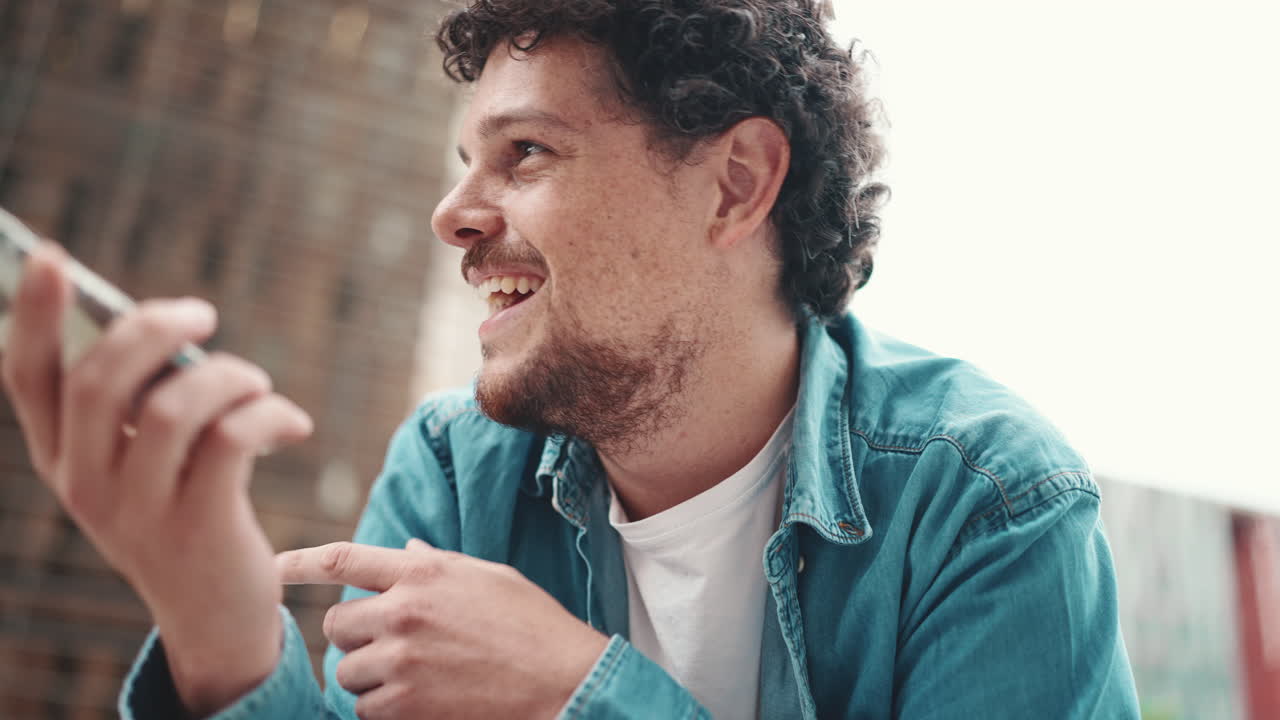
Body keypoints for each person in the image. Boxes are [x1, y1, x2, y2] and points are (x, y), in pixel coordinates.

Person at [0, 1, 1141, 718]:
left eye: (525, 152)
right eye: (462, 160)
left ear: (735, 183)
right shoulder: (454, 469)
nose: (452, 213)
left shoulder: (985, 498)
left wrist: (577, 692)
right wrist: (220, 623)